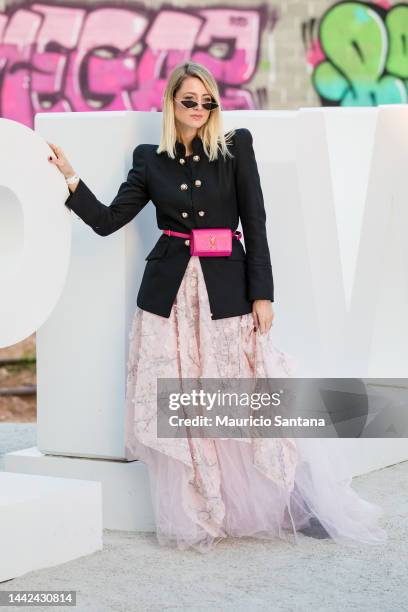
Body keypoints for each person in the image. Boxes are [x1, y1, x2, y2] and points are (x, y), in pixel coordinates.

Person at [47, 61, 387, 553]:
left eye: (208, 102)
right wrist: (71, 178)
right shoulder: (150, 159)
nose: (200, 110)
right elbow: (107, 221)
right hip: (170, 301)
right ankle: (207, 507)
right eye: (190, 101)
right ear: (171, 104)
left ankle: (295, 500)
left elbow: (256, 221)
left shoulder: (235, 148)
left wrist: (263, 294)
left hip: (227, 291)